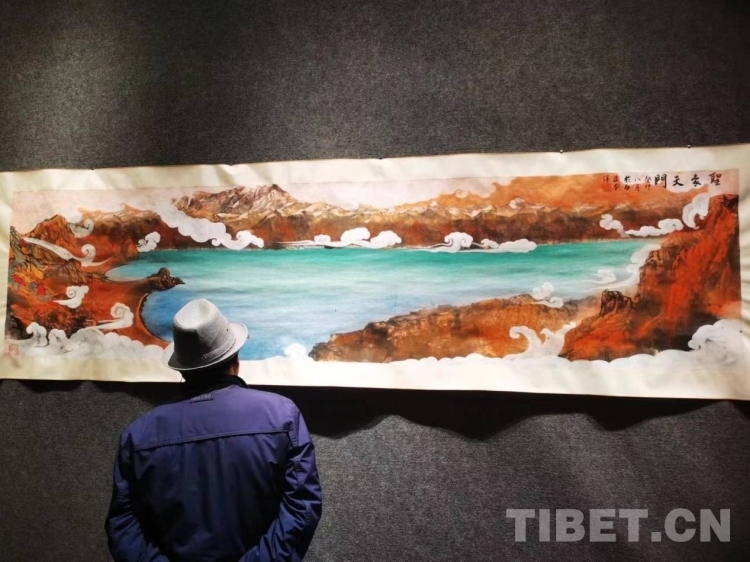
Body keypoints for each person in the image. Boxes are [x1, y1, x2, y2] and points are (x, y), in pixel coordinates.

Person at [105, 299, 322, 561]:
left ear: (182, 369)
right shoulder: (282, 415)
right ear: (235, 359)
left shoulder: (138, 435)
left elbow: (123, 524)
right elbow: (302, 507)